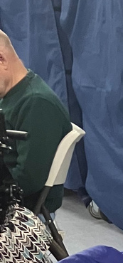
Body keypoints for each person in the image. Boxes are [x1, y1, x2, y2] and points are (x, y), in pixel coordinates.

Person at [0, 30, 72, 215]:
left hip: (22, 212)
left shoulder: (37, 104)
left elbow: (27, 180)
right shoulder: (9, 95)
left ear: (2, 60)